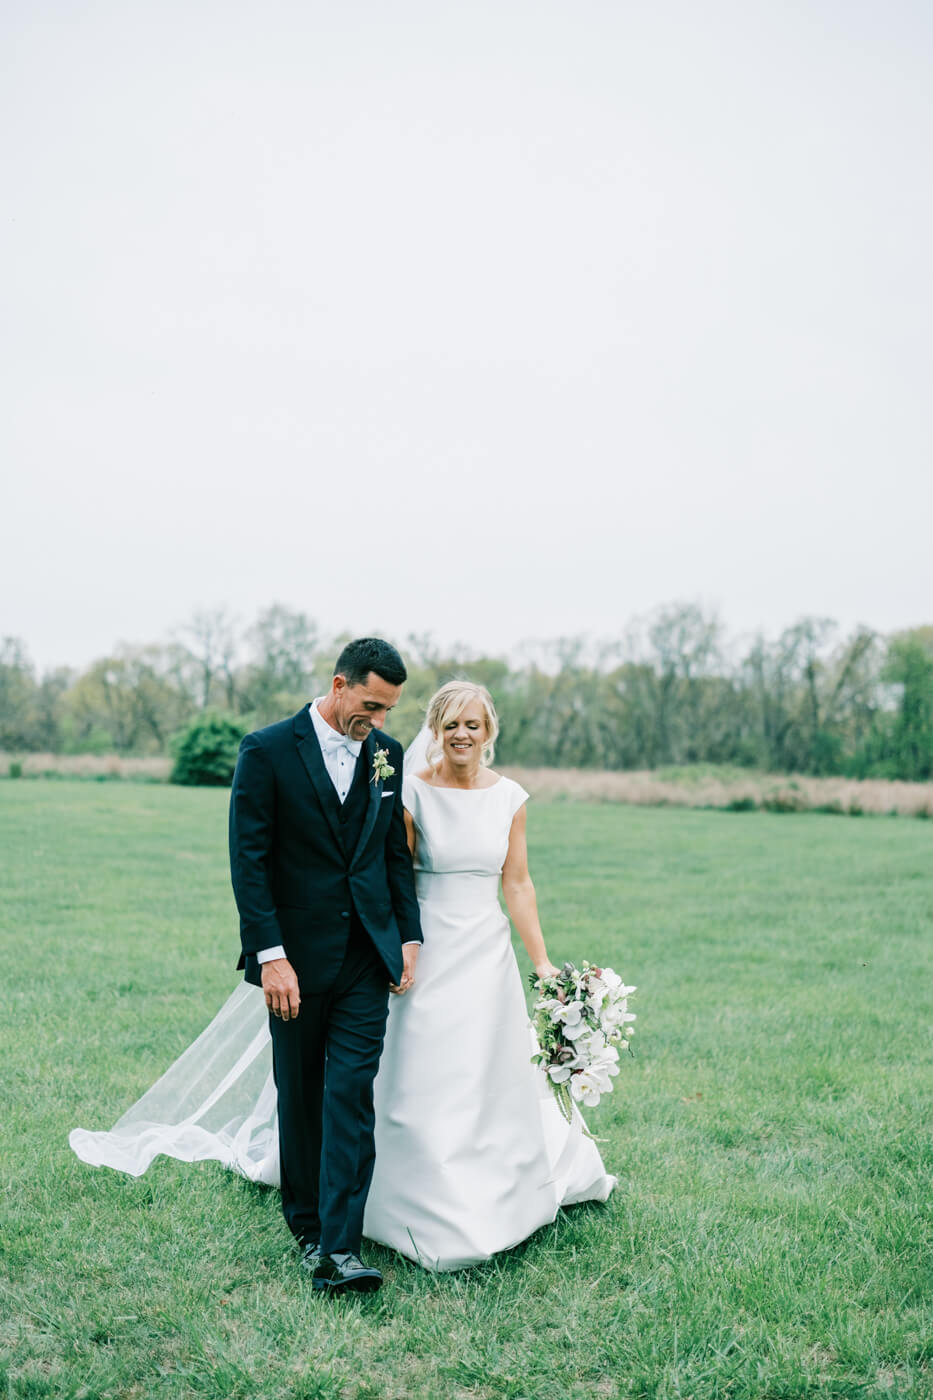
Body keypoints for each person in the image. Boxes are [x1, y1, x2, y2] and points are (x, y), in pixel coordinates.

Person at [69, 677, 614, 1277]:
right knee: (395, 1077)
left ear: (489, 732)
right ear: (435, 728)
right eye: (451, 723)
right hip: (412, 952)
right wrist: (395, 941)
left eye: (474, 724)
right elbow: (389, 866)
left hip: (481, 953)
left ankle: (483, 1198)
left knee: (476, 1073)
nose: (462, 734)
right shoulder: (396, 779)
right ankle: (353, 1220)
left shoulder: (499, 793)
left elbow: (518, 882)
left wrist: (541, 963)